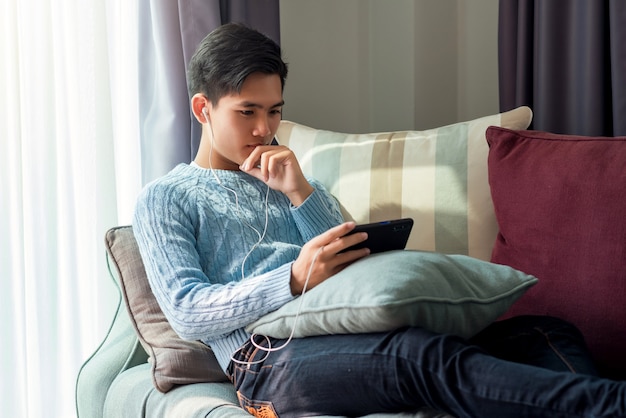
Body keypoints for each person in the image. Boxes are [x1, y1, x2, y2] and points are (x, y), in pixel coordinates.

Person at [133, 22, 626, 418]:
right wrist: (292, 277)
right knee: (414, 355)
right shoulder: (166, 198)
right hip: (266, 364)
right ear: (203, 108)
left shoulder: (289, 179)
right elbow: (187, 310)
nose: (265, 129)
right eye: (247, 113)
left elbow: (349, 260)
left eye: (274, 111)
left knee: (545, 332)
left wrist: (300, 192)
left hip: (345, 329)